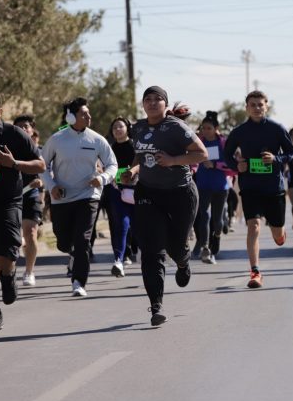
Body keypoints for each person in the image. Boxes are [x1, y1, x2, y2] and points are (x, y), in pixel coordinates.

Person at [122, 86, 206, 326]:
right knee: (151, 250)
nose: (151, 102)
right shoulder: (138, 128)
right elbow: (140, 155)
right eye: (147, 99)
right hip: (149, 192)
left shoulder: (176, 127)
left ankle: (182, 261)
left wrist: (174, 160)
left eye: (157, 99)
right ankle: (156, 306)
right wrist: (133, 170)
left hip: (181, 193)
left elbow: (201, 154)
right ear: (142, 104)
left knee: (175, 246)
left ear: (165, 105)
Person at [0, 88, 45, 332]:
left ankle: (8, 273)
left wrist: (13, 163)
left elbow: (40, 165)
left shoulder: (13, 134)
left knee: (2, 257)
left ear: (0, 111)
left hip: (7, 204)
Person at [41, 98, 118, 297]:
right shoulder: (57, 139)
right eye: (84, 113)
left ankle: (79, 282)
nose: (89, 116)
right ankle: (72, 252)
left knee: (83, 239)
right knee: (63, 242)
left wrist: (102, 178)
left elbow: (112, 164)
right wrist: (51, 186)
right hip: (62, 197)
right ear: (71, 117)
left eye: (88, 113)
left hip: (88, 196)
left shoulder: (97, 139)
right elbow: (42, 165)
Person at [223, 90, 293, 288]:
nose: (256, 108)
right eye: (252, 105)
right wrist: (236, 165)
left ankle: (280, 233)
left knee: (277, 234)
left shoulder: (277, 128)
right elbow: (227, 155)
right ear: (246, 108)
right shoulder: (239, 131)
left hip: (273, 187)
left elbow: (290, 152)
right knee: (253, 225)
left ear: (266, 106)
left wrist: (276, 159)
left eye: (260, 104)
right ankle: (255, 272)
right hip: (250, 186)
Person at [192, 111, 232, 264]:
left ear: (216, 129)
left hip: (220, 186)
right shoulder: (198, 143)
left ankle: (217, 237)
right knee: (204, 216)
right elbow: (191, 160)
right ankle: (205, 246)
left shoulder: (223, 143)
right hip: (203, 185)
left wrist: (215, 165)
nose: (205, 131)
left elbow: (231, 164)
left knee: (217, 220)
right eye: (203, 128)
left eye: (209, 128)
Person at [13, 114, 44, 287]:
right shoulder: (7, 148)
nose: (24, 129)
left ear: (32, 130)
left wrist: (42, 182)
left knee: (30, 232)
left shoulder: (38, 150)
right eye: (20, 126)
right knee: (15, 237)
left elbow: (48, 171)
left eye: (27, 126)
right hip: (11, 197)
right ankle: (9, 271)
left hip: (31, 195)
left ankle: (29, 272)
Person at [105, 117, 135, 277]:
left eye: (120, 126)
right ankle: (118, 260)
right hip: (116, 191)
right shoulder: (109, 149)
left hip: (137, 191)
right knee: (121, 225)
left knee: (139, 226)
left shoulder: (135, 146)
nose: (117, 129)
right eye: (114, 127)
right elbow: (105, 167)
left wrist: (132, 174)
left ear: (127, 128)